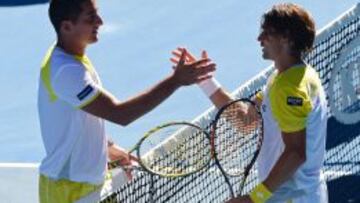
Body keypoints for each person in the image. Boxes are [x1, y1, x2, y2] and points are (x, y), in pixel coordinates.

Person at [37, 0, 215, 202]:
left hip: (90, 184)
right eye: (90, 18)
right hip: (69, 192)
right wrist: (176, 81)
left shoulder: (72, 58)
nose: (100, 22)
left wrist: (107, 147)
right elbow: (120, 114)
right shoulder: (66, 71)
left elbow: (79, 117)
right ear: (67, 26)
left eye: (97, 14)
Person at [171, 3, 328, 203]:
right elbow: (246, 121)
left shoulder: (289, 88)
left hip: (293, 197)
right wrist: (205, 81)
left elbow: (296, 153)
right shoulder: (285, 77)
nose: (259, 38)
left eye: (267, 33)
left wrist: (253, 199)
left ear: (287, 38)